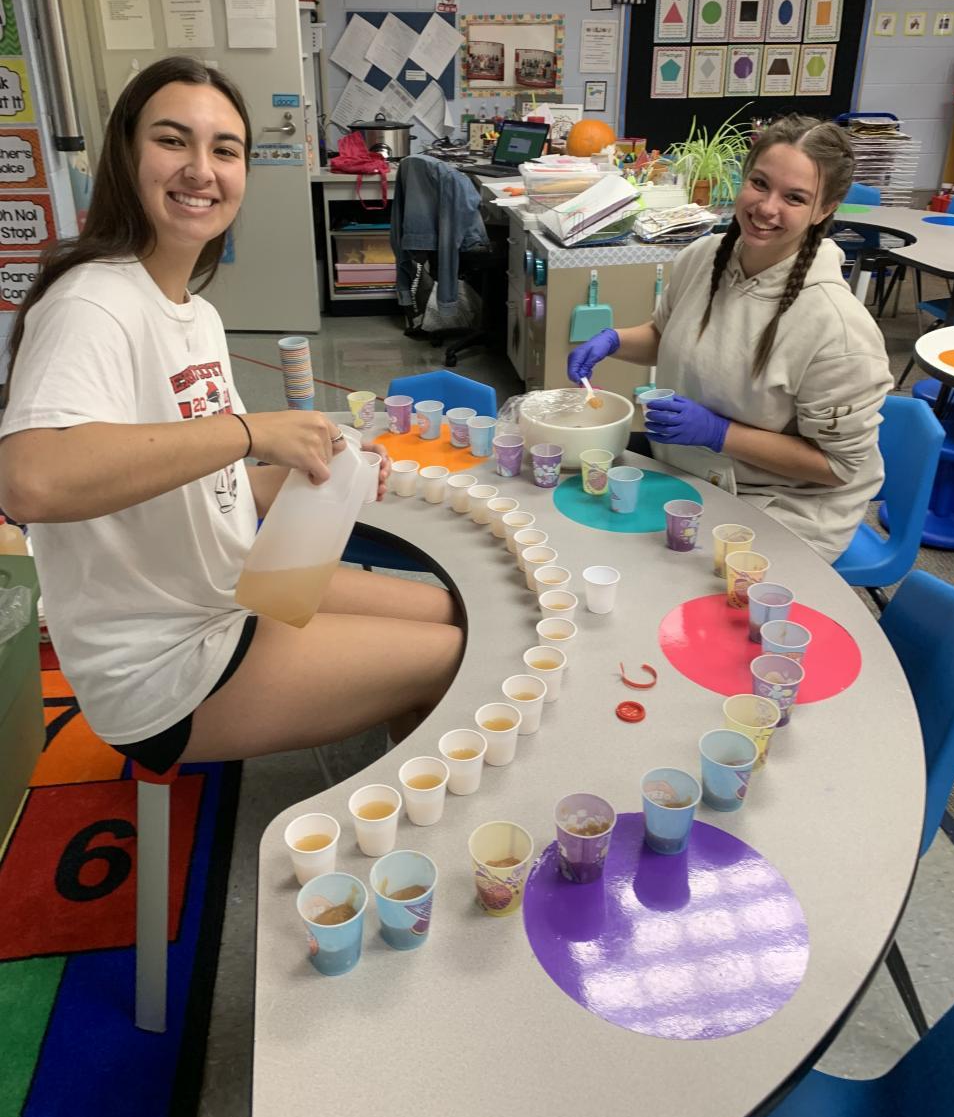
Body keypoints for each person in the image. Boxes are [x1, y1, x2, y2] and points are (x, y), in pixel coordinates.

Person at [0, 57, 463, 773]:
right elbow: (31, 482)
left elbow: (201, 482)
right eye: (171, 141)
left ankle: (398, 767)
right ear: (126, 156)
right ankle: (405, 812)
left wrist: (312, 476)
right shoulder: (91, 302)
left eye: (224, 150)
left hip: (232, 586)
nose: (201, 169)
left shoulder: (199, 315)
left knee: (454, 612)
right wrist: (251, 432)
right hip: (164, 661)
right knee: (459, 654)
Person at [568, 115, 893, 562]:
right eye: (760, 184)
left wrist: (720, 433)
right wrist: (612, 341)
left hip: (780, 505)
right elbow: (667, 335)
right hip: (693, 470)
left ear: (824, 209)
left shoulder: (838, 328)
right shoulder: (705, 257)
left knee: (654, 579)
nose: (767, 207)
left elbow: (837, 467)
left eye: (794, 197)